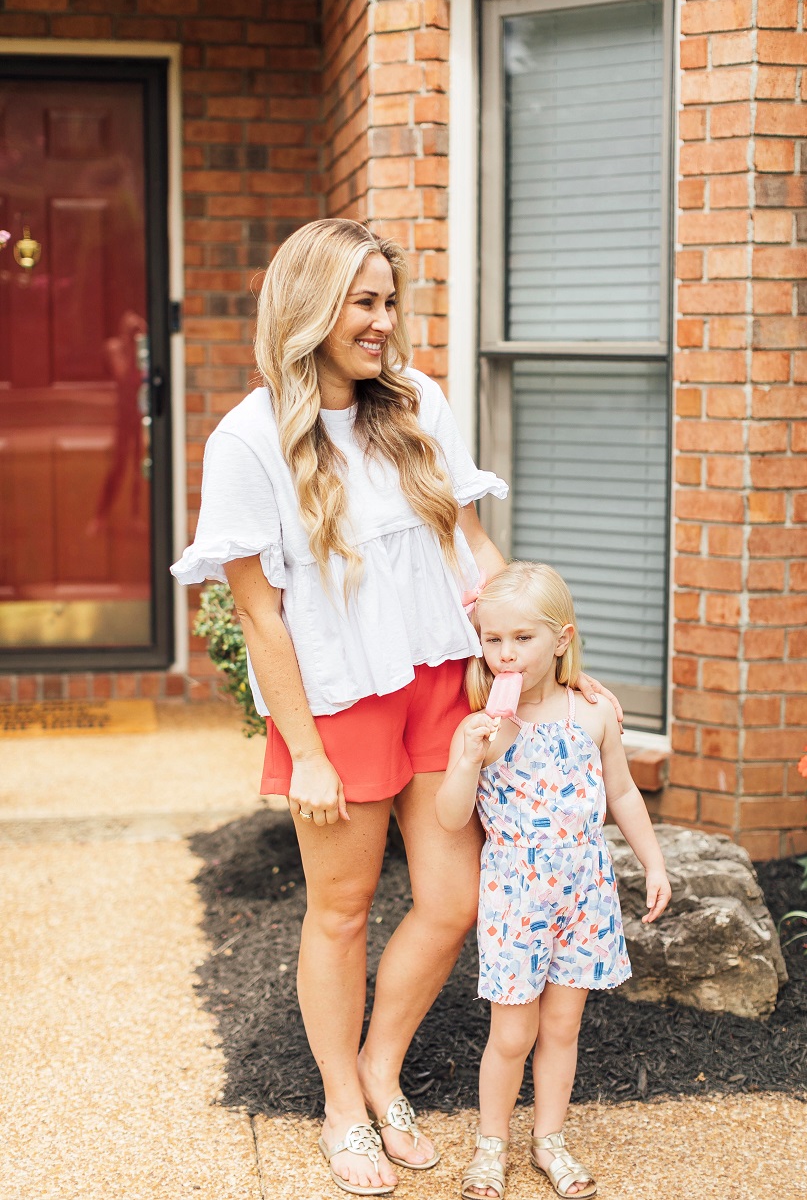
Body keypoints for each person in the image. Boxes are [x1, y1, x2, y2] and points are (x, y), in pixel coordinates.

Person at [172, 219, 621, 1197]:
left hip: (441, 685)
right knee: (339, 912)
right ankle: (343, 1103)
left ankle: (383, 1067)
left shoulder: (418, 403)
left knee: (454, 897)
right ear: (309, 307)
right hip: (335, 706)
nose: (382, 322)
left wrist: (553, 662)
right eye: (362, 302)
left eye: (388, 301)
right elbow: (260, 615)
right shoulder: (249, 439)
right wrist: (309, 751)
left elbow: (472, 547)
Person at [436, 562, 671, 1200]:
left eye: (523, 639)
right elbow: (452, 817)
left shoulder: (591, 713)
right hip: (515, 892)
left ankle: (549, 1140)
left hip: (584, 888)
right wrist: (466, 758)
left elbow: (621, 792)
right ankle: (492, 1146)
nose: (506, 654)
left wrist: (652, 861)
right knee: (511, 1033)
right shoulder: (483, 724)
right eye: (493, 639)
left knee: (562, 1030)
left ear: (560, 640)